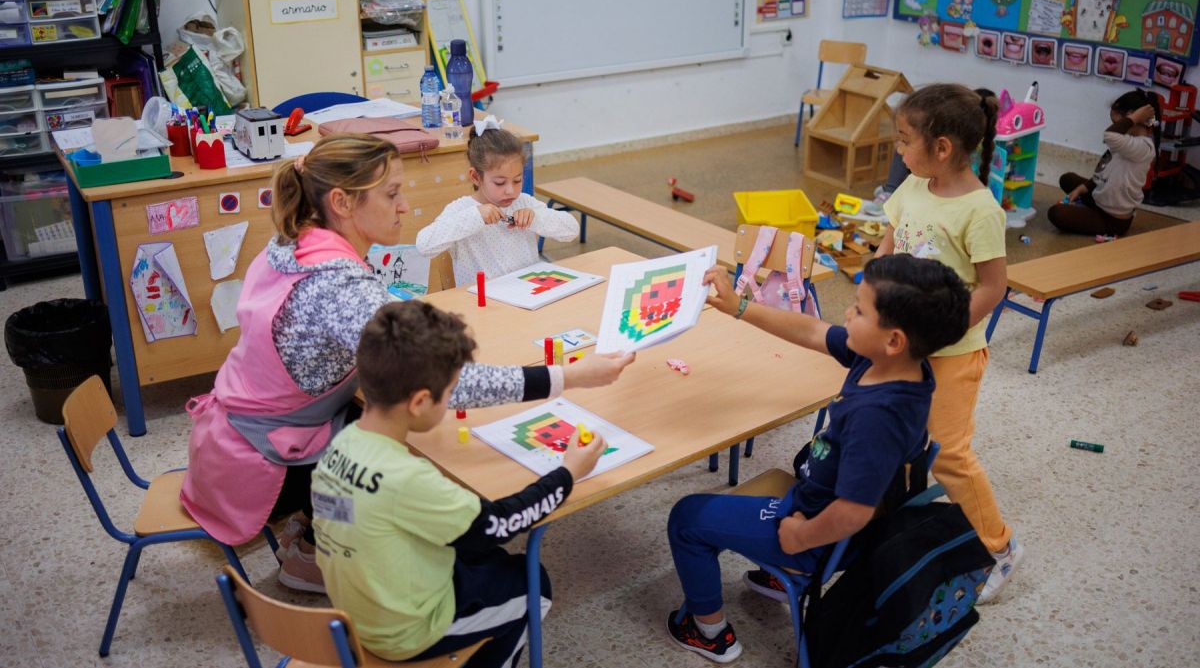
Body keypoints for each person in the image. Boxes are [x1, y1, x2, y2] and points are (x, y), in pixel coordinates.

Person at [179, 133, 634, 593]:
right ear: (341, 202)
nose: (403, 206)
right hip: (262, 460)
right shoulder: (339, 287)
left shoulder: (292, 241)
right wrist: (568, 376)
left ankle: (318, 527)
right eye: (392, 193)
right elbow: (438, 383)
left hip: (235, 433)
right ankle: (315, 552)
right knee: (409, 424)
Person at [664, 254, 971, 663]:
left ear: (894, 339)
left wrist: (798, 538)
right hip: (830, 505)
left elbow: (853, 512)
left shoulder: (877, 418)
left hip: (813, 532)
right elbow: (812, 329)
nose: (847, 312)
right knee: (783, 470)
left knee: (687, 517)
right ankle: (775, 576)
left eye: (859, 309)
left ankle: (708, 631)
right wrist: (739, 307)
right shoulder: (889, 362)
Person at [311, 300, 607, 667]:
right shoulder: (408, 478)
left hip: (356, 609)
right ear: (420, 401)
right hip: (406, 632)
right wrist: (567, 474)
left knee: (481, 558)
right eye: (450, 392)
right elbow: (498, 524)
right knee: (532, 584)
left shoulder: (339, 444)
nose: (451, 399)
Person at [876, 83, 1023, 604]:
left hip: (954, 354)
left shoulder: (980, 210)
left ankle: (998, 546)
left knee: (950, 454)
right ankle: (908, 523)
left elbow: (992, 285)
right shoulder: (914, 187)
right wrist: (874, 292)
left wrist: (948, 329)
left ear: (941, 147)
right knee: (899, 435)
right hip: (906, 343)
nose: (898, 149)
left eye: (903, 139)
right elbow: (890, 244)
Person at [416, 118, 578, 286]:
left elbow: (571, 230)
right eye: (500, 183)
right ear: (475, 177)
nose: (511, 191)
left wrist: (535, 218)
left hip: (527, 293)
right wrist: (475, 217)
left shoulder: (524, 202)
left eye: (517, 180)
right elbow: (424, 245)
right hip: (483, 301)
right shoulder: (462, 209)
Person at [1048, 90, 1160, 237]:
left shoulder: (1143, 147)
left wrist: (1135, 117)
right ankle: (1088, 206)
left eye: (1117, 123)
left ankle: (1092, 215)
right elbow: (1103, 172)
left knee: (1056, 213)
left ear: (1132, 117)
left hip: (1112, 219)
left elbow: (1109, 135)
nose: (1115, 127)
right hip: (1101, 199)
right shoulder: (1126, 139)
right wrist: (1083, 189)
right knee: (1068, 179)